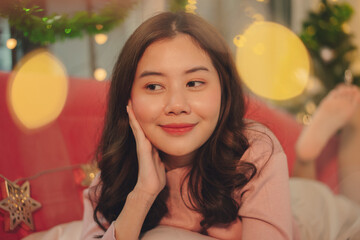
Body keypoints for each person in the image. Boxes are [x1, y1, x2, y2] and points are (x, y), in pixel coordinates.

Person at [80, 11, 360, 240]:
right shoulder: (115, 169)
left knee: (348, 206)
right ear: (128, 97)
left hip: (309, 215)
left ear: (223, 90)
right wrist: (142, 193)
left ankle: (311, 153)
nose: (177, 105)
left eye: (194, 83)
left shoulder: (253, 149)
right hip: (280, 195)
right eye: (153, 86)